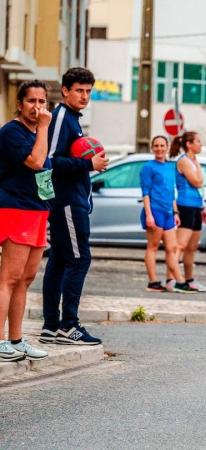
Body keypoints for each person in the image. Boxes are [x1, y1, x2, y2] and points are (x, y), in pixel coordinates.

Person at [41, 67, 108, 346]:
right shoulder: (61, 118)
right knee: (80, 259)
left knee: (59, 259)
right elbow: (49, 160)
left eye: (88, 91)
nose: (84, 96)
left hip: (73, 200)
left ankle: (51, 326)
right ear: (66, 90)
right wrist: (88, 164)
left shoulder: (72, 120)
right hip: (67, 202)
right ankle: (69, 325)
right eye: (79, 90)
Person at [0, 80, 52, 362]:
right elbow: (36, 162)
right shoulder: (12, 132)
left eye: (42, 101)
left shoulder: (39, 133)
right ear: (20, 104)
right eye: (31, 101)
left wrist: (48, 210)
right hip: (15, 208)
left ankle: (16, 339)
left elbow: (46, 175)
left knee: (26, 278)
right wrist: (44, 128)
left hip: (37, 210)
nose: (37, 107)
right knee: (8, 277)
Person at [140, 135, 190, 293]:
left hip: (169, 213)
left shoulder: (170, 167)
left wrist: (175, 212)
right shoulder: (148, 167)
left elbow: (171, 192)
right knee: (153, 247)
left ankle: (177, 281)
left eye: (162, 145)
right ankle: (153, 282)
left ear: (167, 147)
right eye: (156, 146)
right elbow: (145, 193)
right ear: (152, 148)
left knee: (172, 248)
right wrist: (149, 215)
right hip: (154, 211)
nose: (159, 148)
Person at [167, 131, 206, 293]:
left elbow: (199, 187)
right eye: (198, 141)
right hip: (185, 206)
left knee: (192, 247)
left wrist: (202, 207)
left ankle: (189, 280)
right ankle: (172, 279)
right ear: (189, 145)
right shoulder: (184, 161)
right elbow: (197, 182)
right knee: (180, 245)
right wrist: (196, 165)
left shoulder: (193, 160)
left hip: (196, 206)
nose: (201, 144)